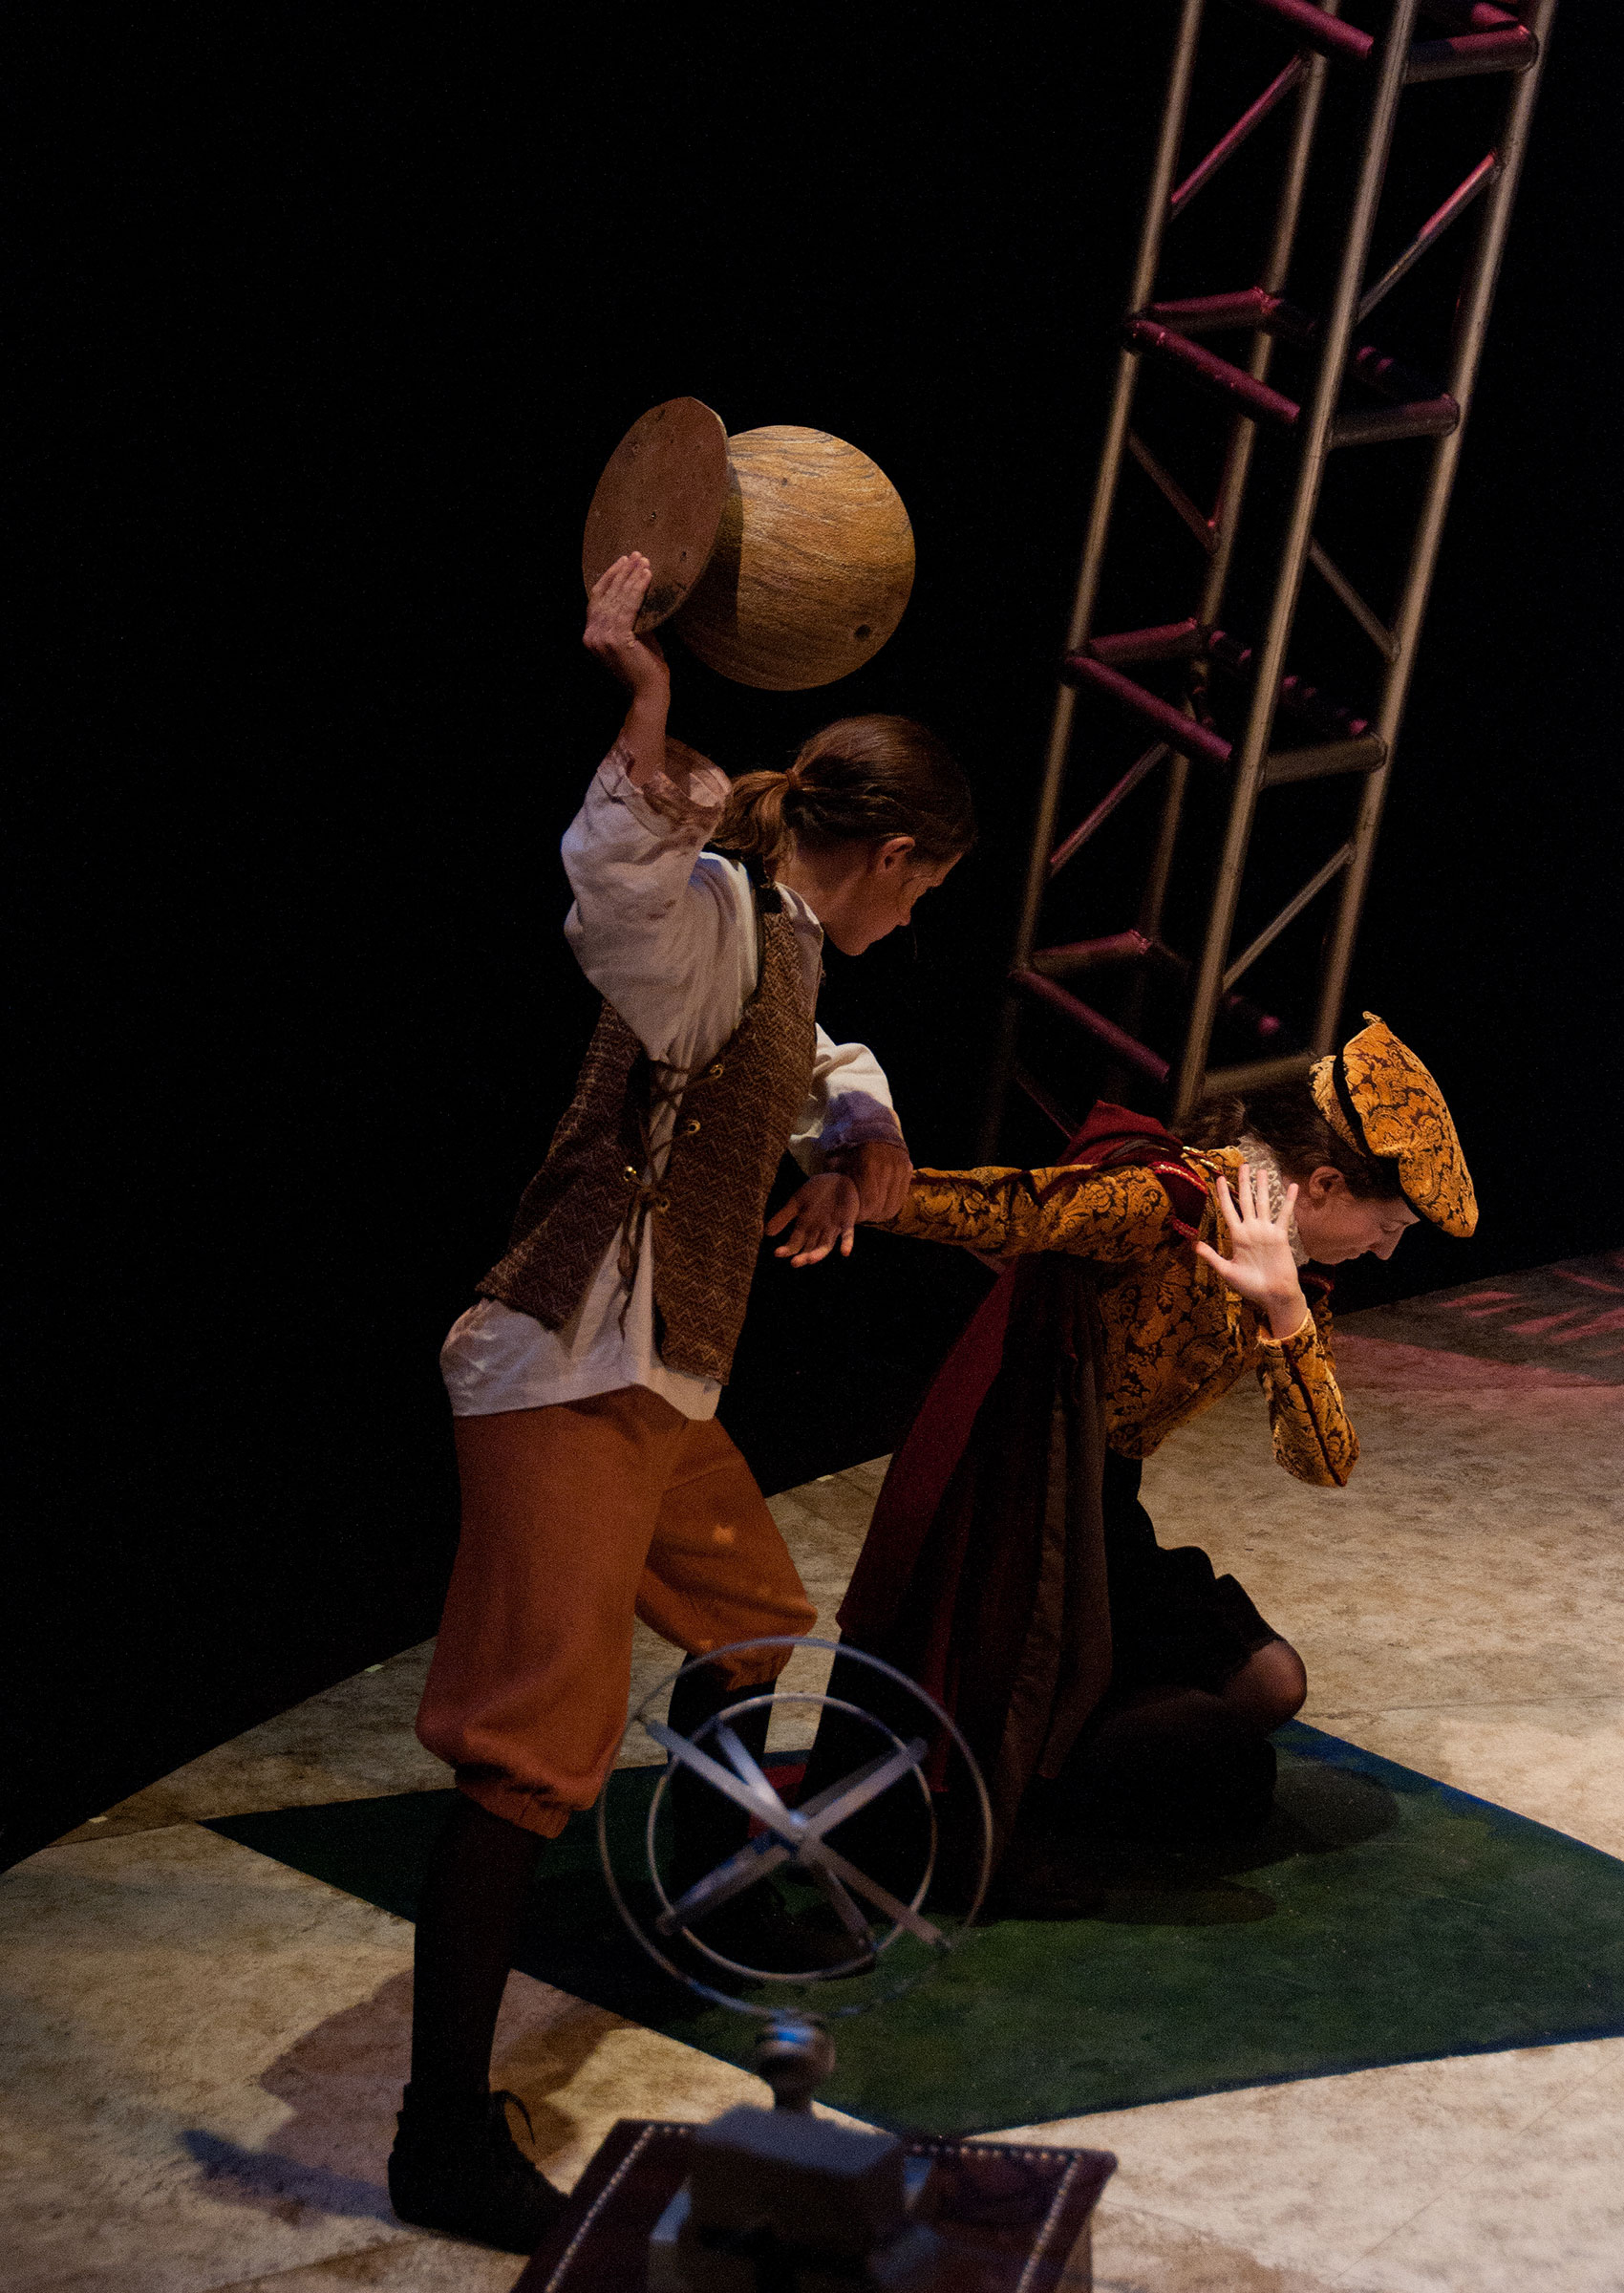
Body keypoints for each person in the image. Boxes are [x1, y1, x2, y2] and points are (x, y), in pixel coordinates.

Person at [388, 550, 975, 2253]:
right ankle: (441, 2133)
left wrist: (857, 1138)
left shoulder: (780, 941)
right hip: (565, 1373)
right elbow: (617, 897)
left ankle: (712, 1911)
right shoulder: (712, 908)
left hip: (655, 1384)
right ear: (890, 857)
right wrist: (646, 714)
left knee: (751, 1613)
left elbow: (813, 1057)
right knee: (524, 1755)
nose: (914, 918)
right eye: (921, 892)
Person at [811, 1018, 1475, 1912]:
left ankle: (1060, 1772)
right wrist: (866, 1193)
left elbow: (1325, 1463)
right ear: (1321, 1183)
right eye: (1387, 1224)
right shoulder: (1163, 1201)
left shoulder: (1294, 1272)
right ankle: (1008, 1817)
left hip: (1105, 1503)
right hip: (1026, 1486)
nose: (1389, 1249)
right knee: (1178, 1749)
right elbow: (1017, 1207)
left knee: (1264, 1697)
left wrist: (1285, 1315)